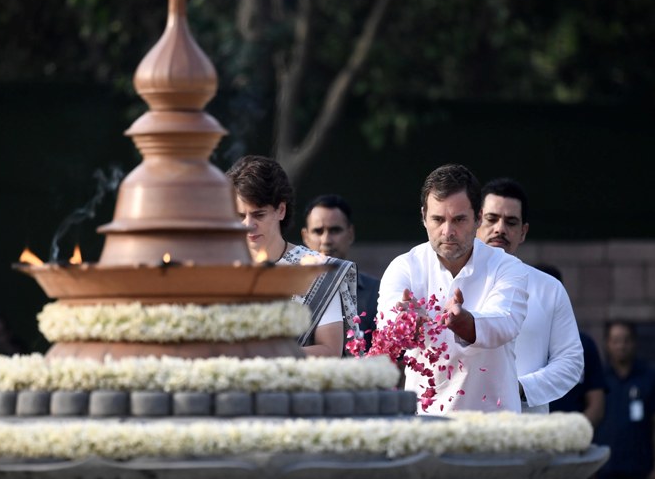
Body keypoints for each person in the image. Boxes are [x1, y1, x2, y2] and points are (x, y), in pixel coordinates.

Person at [377, 163, 528, 414]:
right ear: (423, 216)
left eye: (458, 219)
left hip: (494, 424)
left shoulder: (507, 267)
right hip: (425, 422)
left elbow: (505, 322)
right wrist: (406, 324)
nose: (448, 232)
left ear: (478, 218)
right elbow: (387, 324)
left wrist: (466, 323)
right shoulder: (404, 267)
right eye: (438, 219)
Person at [226, 155, 361, 357]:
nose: (248, 224)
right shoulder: (220, 268)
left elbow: (329, 350)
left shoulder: (317, 270)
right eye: (240, 216)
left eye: (258, 215)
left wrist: (267, 356)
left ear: (281, 210)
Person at [476, 178, 584, 414]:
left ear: (523, 232)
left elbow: (571, 362)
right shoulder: (450, 283)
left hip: (525, 429)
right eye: (492, 219)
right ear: (476, 222)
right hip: (458, 424)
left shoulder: (549, 289)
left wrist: (521, 389)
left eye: (511, 222)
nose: (500, 229)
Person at [301, 194, 380, 351]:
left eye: (335, 230)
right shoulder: (289, 290)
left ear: (350, 234)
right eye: (318, 231)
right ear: (305, 236)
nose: (326, 240)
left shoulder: (377, 292)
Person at [595, 320, 655, 479]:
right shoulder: (599, 379)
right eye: (615, 341)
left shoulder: (651, 378)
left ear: (634, 342)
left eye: (626, 340)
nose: (621, 346)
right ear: (607, 344)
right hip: (606, 469)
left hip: (641, 469)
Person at [540, 263, 606, 428]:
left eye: (553, 292)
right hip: (525, 438)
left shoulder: (583, 344)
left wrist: (573, 433)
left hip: (570, 444)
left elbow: (596, 404)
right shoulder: (510, 338)